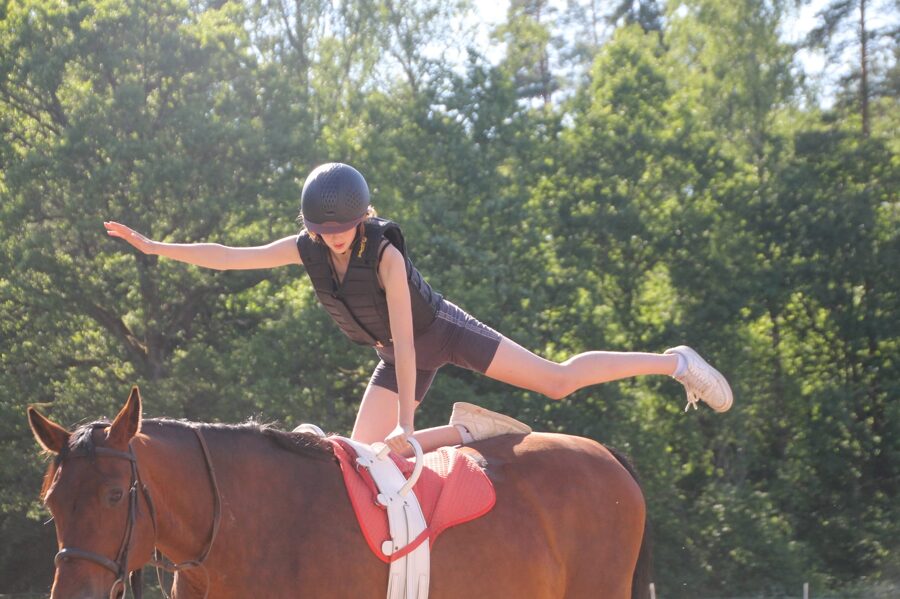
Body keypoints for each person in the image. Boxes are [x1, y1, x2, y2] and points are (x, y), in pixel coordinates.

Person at [105, 162, 733, 455]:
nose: (333, 239)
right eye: (323, 231)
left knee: (558, 383)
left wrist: (407, 418)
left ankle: (673, 361)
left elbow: (409, 343)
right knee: (359, 458)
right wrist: (154, 246)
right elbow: (228, 254)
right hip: (392, 356)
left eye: (344, 229)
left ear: (363, 219)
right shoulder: (307, 248)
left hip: (441, 335)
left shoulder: (386, 258)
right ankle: (469, 432)